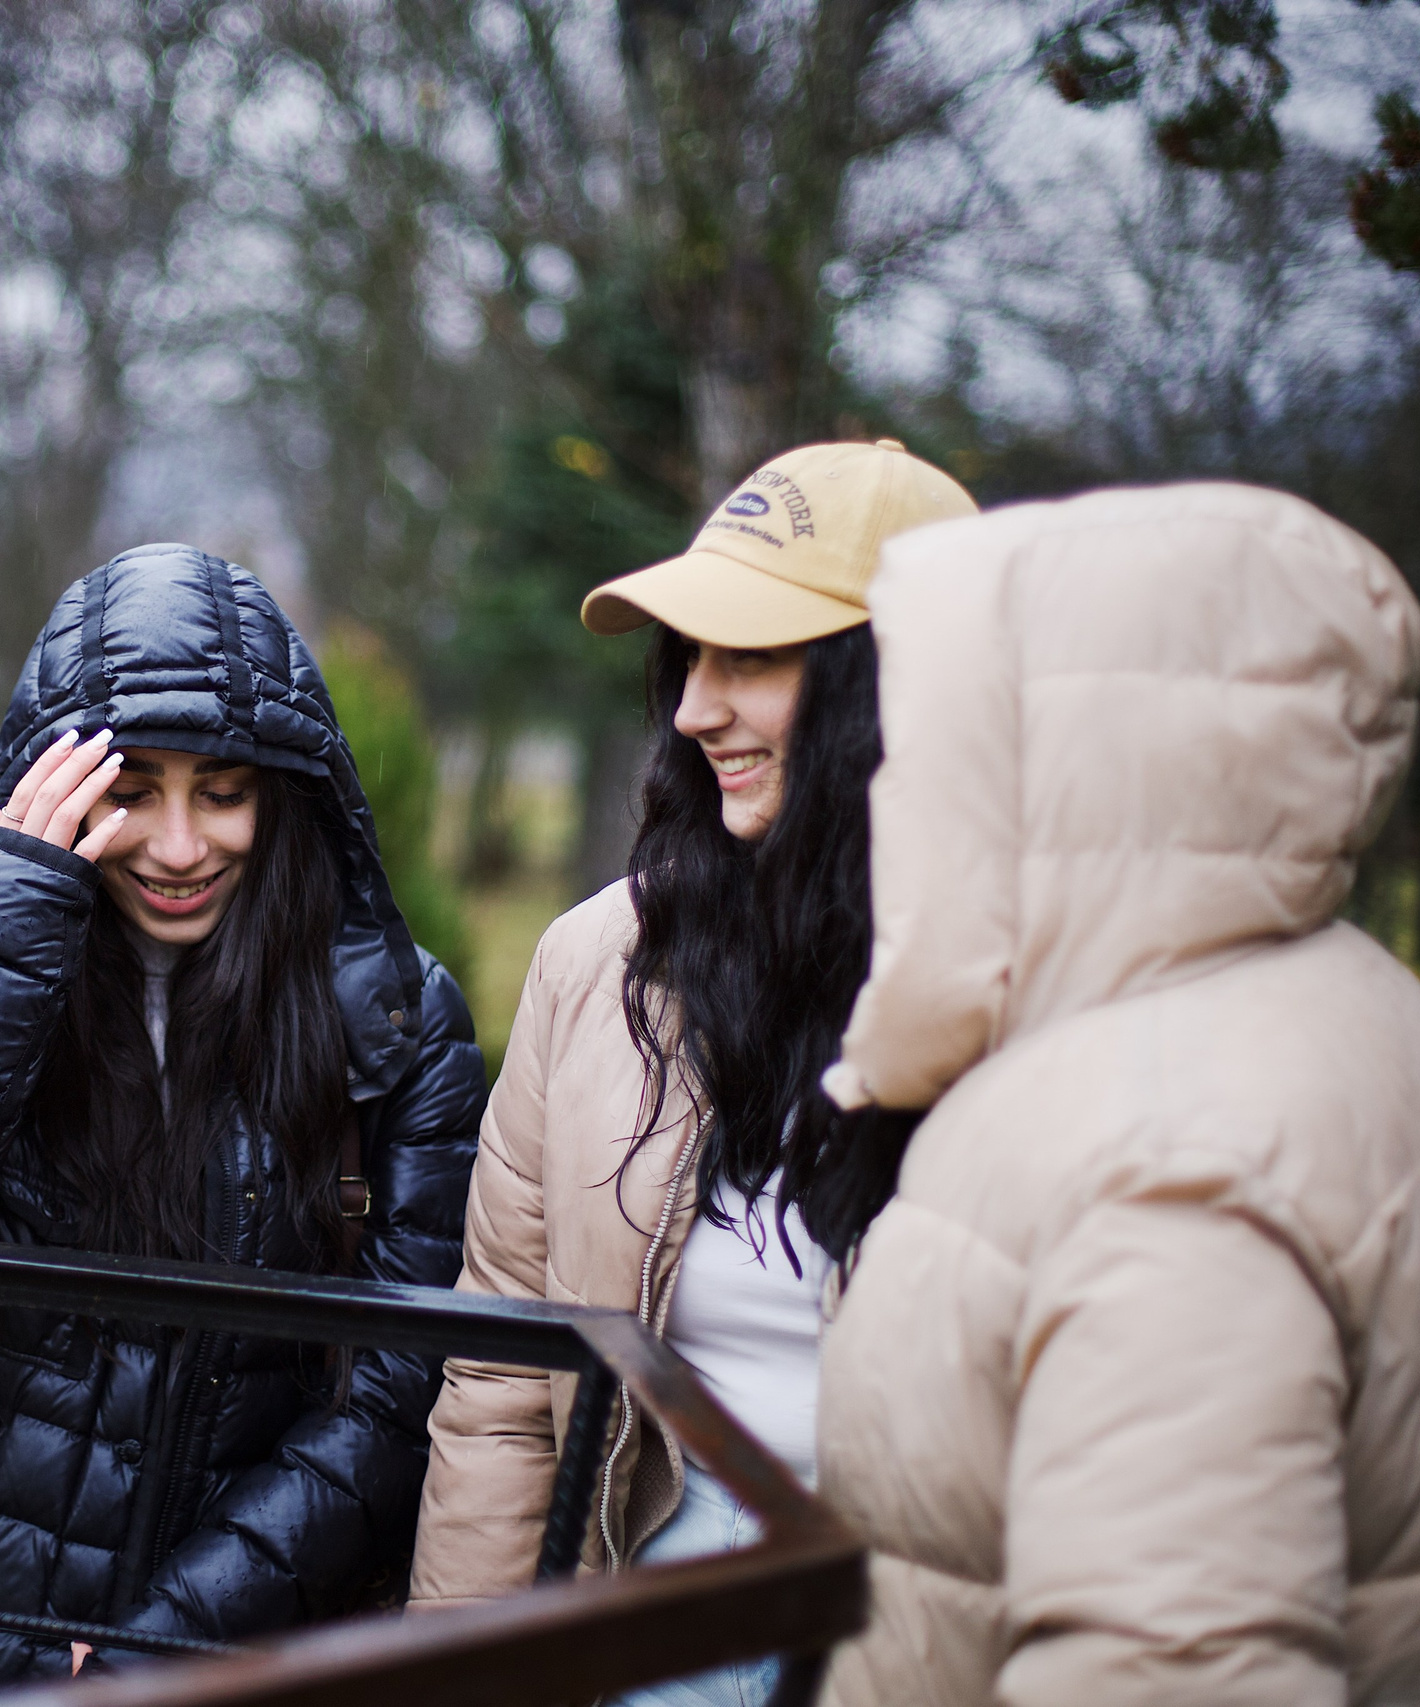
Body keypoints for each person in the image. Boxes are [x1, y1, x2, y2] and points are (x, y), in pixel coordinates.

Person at [812, 484, 1420, 1703]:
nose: (885, 790)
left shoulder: (1163, 1151)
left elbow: (1174, 1669)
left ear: (1074, 758)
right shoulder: (1336, 1008)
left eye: (931, 740)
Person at [0, 543, 486, 1699]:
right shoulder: (3, 966)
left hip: (252, 1644)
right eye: (132, 792)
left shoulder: (395, 1019)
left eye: (221, 794)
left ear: (285, 790)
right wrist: (12, 929)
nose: (180, 850)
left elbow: (396, 1390)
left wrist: (171, 1635)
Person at [407, 441, 977, 1705]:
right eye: (690, 657)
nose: (692, 709)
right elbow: (506, 1376)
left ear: (898, 678)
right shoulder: (597, 963)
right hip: (643, 1621)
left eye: (755, 656)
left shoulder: (1032, 991)